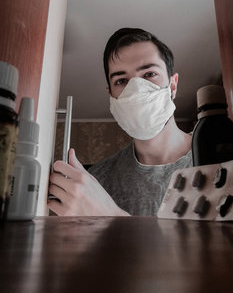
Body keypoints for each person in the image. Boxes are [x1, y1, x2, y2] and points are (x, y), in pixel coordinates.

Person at [48, 28, 192, 216]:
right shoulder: (97, 181)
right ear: (111, 96)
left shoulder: (221, 157)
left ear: (172, 85)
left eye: (149, 74)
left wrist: (109, 215)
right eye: (121, 80)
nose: (136, 90)